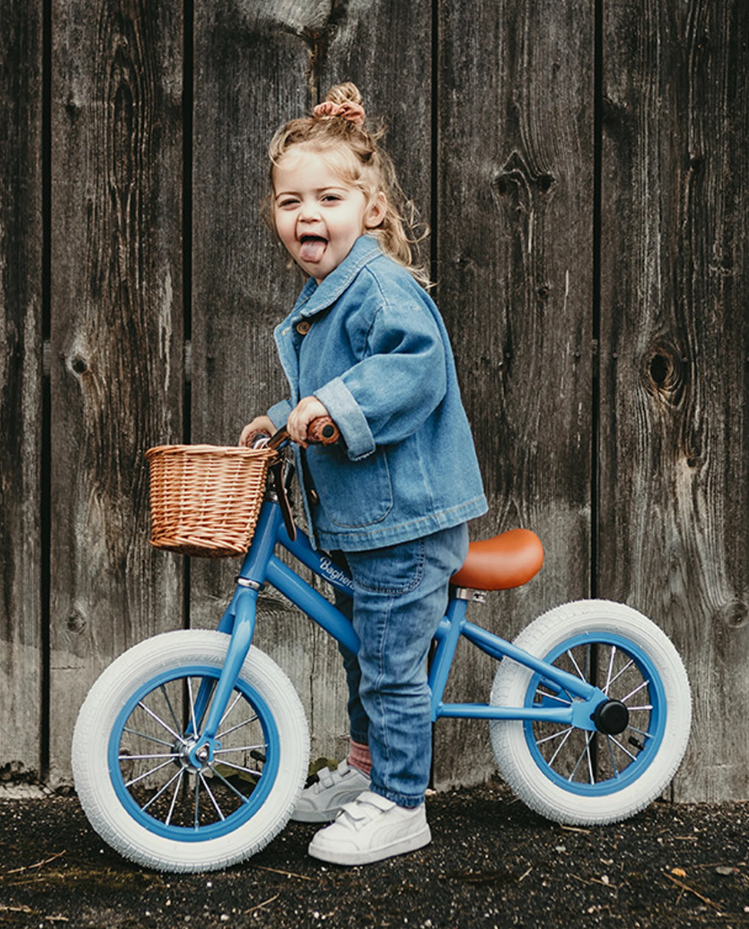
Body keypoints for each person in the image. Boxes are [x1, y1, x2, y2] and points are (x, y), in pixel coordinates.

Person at [240, 83, 487, 866]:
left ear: (370, 209)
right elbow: (334, 386)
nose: (306, 213)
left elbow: (412, 370)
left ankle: (401, 802)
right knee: (361, 653)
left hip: (407, 520)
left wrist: (325, 408)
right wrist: (285, 413)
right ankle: (363, 771)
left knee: (387, 662)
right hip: (363, 520)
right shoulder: (322, 295)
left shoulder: (382, 287)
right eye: (290, 200)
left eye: (328, 196)